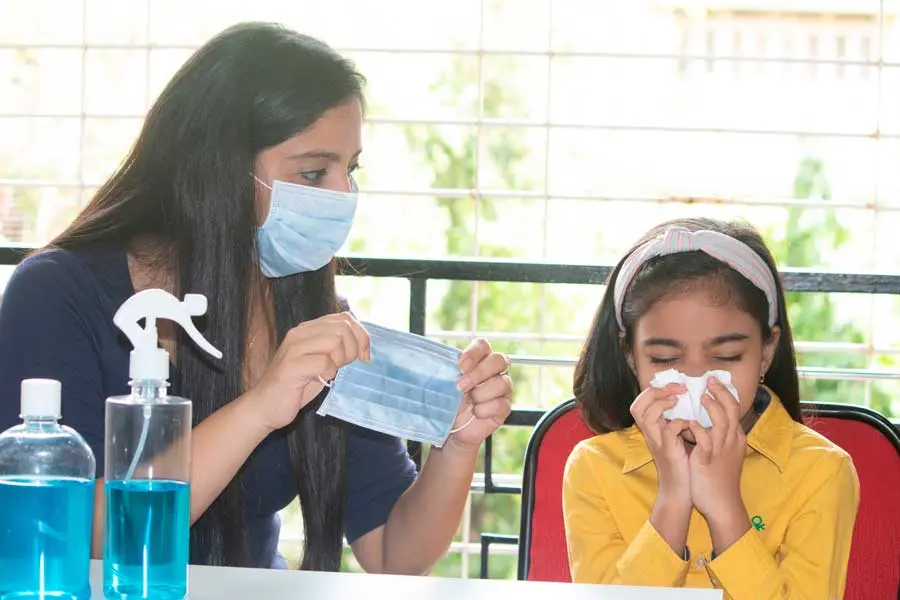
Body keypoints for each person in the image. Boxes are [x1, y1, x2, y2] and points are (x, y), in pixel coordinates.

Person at [0, 22, 513, 573]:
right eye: (314, 172)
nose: (343, 194)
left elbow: (393, 555)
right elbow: (74, 537)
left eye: (351, 168)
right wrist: (260, 408)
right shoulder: (58, 295)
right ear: (217, 169)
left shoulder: (313, 317)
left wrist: (458, 446)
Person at [563, 218, 859, 598]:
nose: (696, 380)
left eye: (727, 356)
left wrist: (725, 509)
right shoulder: (594, 468)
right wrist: (672, 499)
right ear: (632, 358)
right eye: (665, 358)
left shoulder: (821, 471)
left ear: (766, 351)